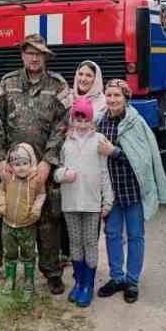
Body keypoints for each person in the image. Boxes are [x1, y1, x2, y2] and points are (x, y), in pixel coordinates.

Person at [0, 33, 71, 294]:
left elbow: (62, 127)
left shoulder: (58, 86)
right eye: (29, 53)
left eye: (38, 53)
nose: (33, 57)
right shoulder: (6, 84)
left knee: (48, 215)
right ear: (23, 55)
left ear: (45, 57)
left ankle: (51, 271)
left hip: (42, 164)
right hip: (9, 163)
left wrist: (48, 163)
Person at [97, 78, 166, 303]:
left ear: (126, 98)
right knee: (112, 234)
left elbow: (143, 160)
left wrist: (114, 152)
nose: (112, 99)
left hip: (132, 191)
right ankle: (116, 277)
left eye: (116, 95)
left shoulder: (135, 123)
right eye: (108, 95)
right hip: (111, 192)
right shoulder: (100, 122)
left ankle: (132, 280)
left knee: (135, 235)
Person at [54, 97, 113, 308]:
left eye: (84, 119)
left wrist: (108, 200)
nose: (80, 123)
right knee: (75, 244)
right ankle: (78, 282)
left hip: (91, 203)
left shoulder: (99, 140)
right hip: (70, 203)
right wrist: (62, 174)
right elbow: (56, 170)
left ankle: (88, 285)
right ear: (72, 120)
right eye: (77, 119)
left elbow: (105, 172)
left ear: (91, 120)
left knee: (90, 243)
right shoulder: (65, 142)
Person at [0, 142, 46, 299]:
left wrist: (36, 208)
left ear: (31, 163)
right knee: (10, 252)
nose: (21, 168)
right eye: (17, 164)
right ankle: (10, 278)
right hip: (8, 224)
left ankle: (29, 281)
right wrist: (1, 204)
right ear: (11, 165)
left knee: (28, 253)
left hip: (27, 225)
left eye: (25, 163)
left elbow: (41, 195)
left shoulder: (36, 180)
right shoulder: (8, 178)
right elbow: (1, 190)